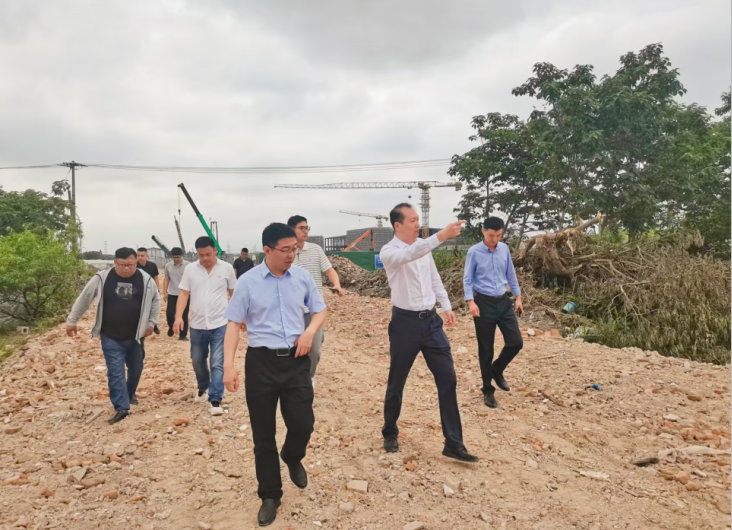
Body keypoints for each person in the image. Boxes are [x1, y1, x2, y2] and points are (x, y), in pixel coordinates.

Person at [223, 223, 327, 527]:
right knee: (263, 434)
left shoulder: (302, 277)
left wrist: (309, 332)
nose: (292, 255)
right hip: (261, 363)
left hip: (296, 360)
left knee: (303, 423)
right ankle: (270, 495)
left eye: (294, 249)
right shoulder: (248, 282)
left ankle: (292, 455)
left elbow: (320, 310)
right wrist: (228, 365)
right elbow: (233, 323)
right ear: (267, 250)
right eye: (285, 250)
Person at [379, 203, 478, 463]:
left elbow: (434, 278)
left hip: (432, 322)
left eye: (417, 219)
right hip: (405, 324)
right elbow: (409, 254)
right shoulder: (389, 252)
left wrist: (446, 306)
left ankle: (454, 443)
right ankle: (390, 431)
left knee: (448, 379)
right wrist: (441, 235)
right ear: (397, 225)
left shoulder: (424, 248)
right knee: (397, 381)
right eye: (412, 220)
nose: (417, 224)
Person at [66, 247, 160, 423]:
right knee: (116, 372)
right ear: (115, 262)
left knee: (136, 368)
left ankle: (130, 394)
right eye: (122, 265)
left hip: (136, 335)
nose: (127, 268)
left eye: (130, 264)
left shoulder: (146, 279)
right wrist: (72, 320)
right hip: (111, 335)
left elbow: (156, 300)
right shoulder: (102, 278)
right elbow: (85, 298)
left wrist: (152, 322)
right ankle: (121, 407)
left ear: (136, 262)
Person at [463, 216, 524, 409]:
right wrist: (470, 301)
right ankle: (488, 390)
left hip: (503, 302)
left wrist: (518, 297)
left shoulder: (504, 249)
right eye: (491, 235)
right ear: (483, 231)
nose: (495, 239)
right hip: (483, 303)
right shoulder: (474, 252)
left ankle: (497, 369)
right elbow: (467, 279)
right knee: (486, 349)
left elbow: (510, 273)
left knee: (516, 342)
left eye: (498, 235)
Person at [174, 236, 237, 416]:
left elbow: (234, 293)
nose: (205, 258)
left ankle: (215, 399)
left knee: (217, 362)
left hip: (220, 323)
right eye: (201, 255)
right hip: (197, 324)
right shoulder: (190, 269)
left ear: (215, 250)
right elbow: (184, 294)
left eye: (208, 254)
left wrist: (239, 317)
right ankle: (203, 387)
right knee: (197, 360)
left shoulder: (226, 269)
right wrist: (178, 317)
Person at [287, 215, 345, 382]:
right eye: (302, 228)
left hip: (314, 310)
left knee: (314, 350)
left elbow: (330, 270)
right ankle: (294, 379)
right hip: (291, 310)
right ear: (291, 230)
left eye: (307, 228)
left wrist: (337, 284)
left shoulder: (316, 250)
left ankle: (309, 378)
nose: (306, 231)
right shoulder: (285, 252)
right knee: (292, 347)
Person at [163, 247, 190, 341]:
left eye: (178, 257)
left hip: (185, 294)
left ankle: (183, 335)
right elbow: (166, 279)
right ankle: (171, 326)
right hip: (172, 294)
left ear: (181, 256)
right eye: (174, 257)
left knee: (184, 314)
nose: (176, 259)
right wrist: (164, 292)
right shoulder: (168, 266)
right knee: (170, 314)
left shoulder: (188, 266)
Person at [137, 247, 161, 336]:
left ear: (147, 255)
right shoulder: (134, 266)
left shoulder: (152, 265)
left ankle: (154, 325)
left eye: (142, 255)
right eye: (138, 255)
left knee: (152, 308)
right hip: (138, 291)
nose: (140, 257)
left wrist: (157, 289)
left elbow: (156, 277)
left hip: (150, 290)